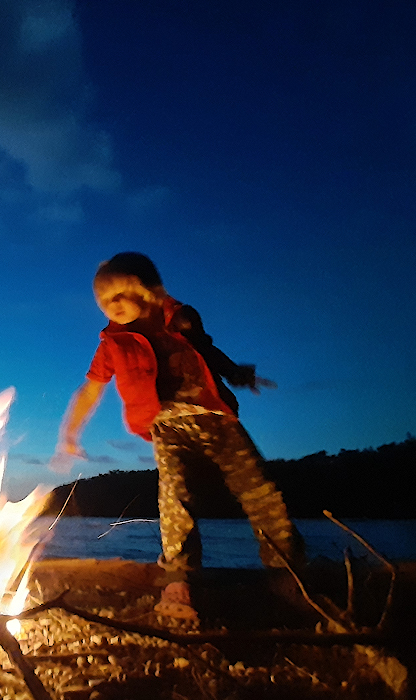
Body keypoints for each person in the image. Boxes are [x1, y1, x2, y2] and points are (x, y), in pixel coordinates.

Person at [55, 252, 303, 620]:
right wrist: (70, 432)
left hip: (217, 420)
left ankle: (289, 574)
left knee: (261, 492)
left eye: (116, 296)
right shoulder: (112, 343)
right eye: (103, 302)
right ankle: (180, 578)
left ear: (144, 288)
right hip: (167, 427)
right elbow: (90, 389)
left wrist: (237, 373)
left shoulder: (182, 318)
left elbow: (207, 351)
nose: (110, 307)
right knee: (175, 496)